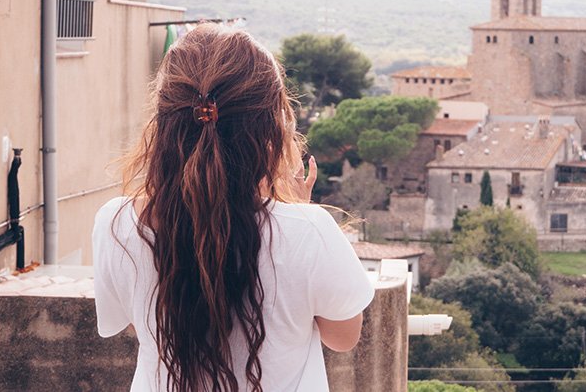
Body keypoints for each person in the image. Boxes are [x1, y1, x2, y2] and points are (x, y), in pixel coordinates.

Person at [92, 24, 374, 392]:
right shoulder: (310, 231)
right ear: (270, 127)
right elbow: (342, 336)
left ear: (163, 123)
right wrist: (297, 213)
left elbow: (137, 323)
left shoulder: (116, 224)